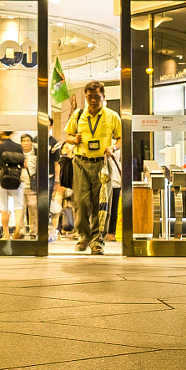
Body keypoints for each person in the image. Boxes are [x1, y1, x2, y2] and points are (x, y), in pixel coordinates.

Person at [64, 79, 121, 254]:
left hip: (102, 165)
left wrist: (113, 147)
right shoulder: (78, 115)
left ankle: (97, 241)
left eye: (97, 96)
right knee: (80, 202)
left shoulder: (112, 116)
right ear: (86, 97)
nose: (93, 100)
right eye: (90, 97)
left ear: (103, 96)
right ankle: (83, 237)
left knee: (101, 204)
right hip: (81, 163)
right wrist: (74, 140)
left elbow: (121, 138)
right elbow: (68, 136)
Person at [0, 130, 24, 240]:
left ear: (2, 135)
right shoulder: (18, 147)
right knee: (18, 206)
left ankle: (6, 234)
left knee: (4, 207)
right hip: (16, 179)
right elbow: (23, 163)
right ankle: (17, 229)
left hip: (3, 180)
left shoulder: (0, 147)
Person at [17, 134, 42, 239]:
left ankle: (33, 231)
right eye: (24, 141)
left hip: (32, 186)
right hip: (19, 186)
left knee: (33, 210)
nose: (26, 143)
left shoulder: (36, 155)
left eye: (28, 140)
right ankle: (21, 230)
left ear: (31, 142)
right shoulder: (18, 154)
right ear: (21, 143)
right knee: (20, 209)